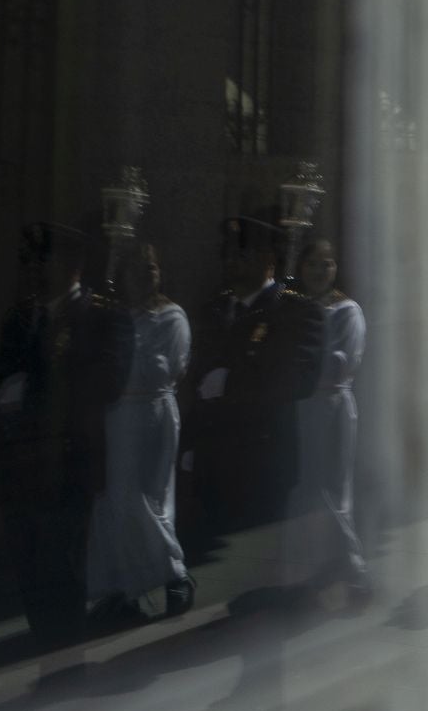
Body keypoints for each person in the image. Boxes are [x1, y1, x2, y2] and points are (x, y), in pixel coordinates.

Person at [0, 223, 132, 645]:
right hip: (20, 465)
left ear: (73, 265)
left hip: (69, 462)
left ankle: (65, 656)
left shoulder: (104, 317)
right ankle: (45, 642)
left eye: (41, 261)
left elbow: (108, 384)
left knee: (61, 565)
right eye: (27, 262)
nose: (33, 271)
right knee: (27, 563)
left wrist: (34, 389)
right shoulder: (20, 318)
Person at [181, 216, 326, 549]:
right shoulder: (215, 309)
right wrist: (190, 441)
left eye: (243, 254)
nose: (232, 261)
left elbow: (298, 379)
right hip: (213, 459)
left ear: (269, 260)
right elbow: (199, 380)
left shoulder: (296, 312)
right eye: (228, 253)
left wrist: (231, 383)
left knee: (258, 562)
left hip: (261, 460)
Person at [86, 243, 193, 621]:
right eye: (137, 270)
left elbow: (169, 367)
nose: (145, 276)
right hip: (116, 414)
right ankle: (125, 588)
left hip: (152, 411)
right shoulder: (114, 315)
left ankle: (175, 573)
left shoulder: (171, 316)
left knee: (146, 499)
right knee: (114, 501)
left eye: (151, 268)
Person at [280, 239, 369, 600]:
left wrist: (299, 359)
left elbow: (341, 360)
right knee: (306, 488)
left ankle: (352, 564)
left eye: (326, 265)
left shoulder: (346, 310)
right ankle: (314, 567)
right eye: (313, 265)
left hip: (331, 403)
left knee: (328, 486)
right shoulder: (294, 306)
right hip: (300, 403)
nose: (319, 271)